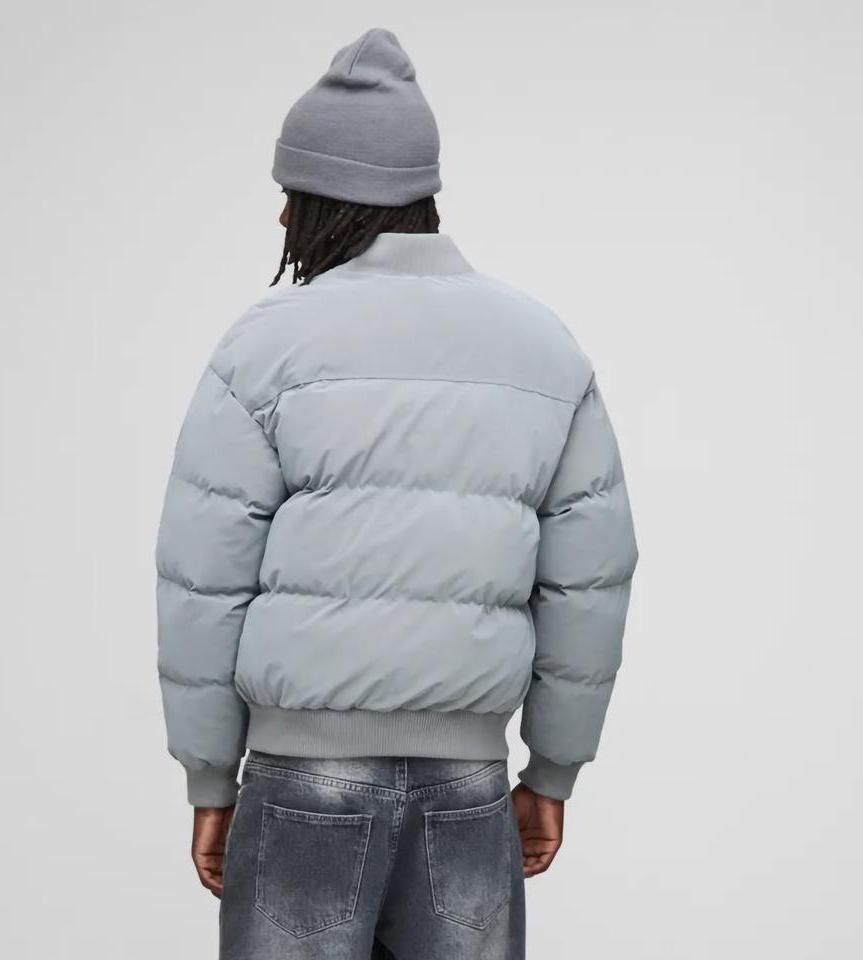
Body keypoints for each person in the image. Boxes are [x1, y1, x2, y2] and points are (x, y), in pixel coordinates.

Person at [155, 27, 638, 960]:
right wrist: (553, 771)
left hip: (302, 785)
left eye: (291, 197)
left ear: (325, 201)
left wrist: (210, 780)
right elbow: (591, 582)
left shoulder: (264, 345)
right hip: (469, 790)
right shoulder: (543, 348)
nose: (282, 219)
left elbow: (202, 581)